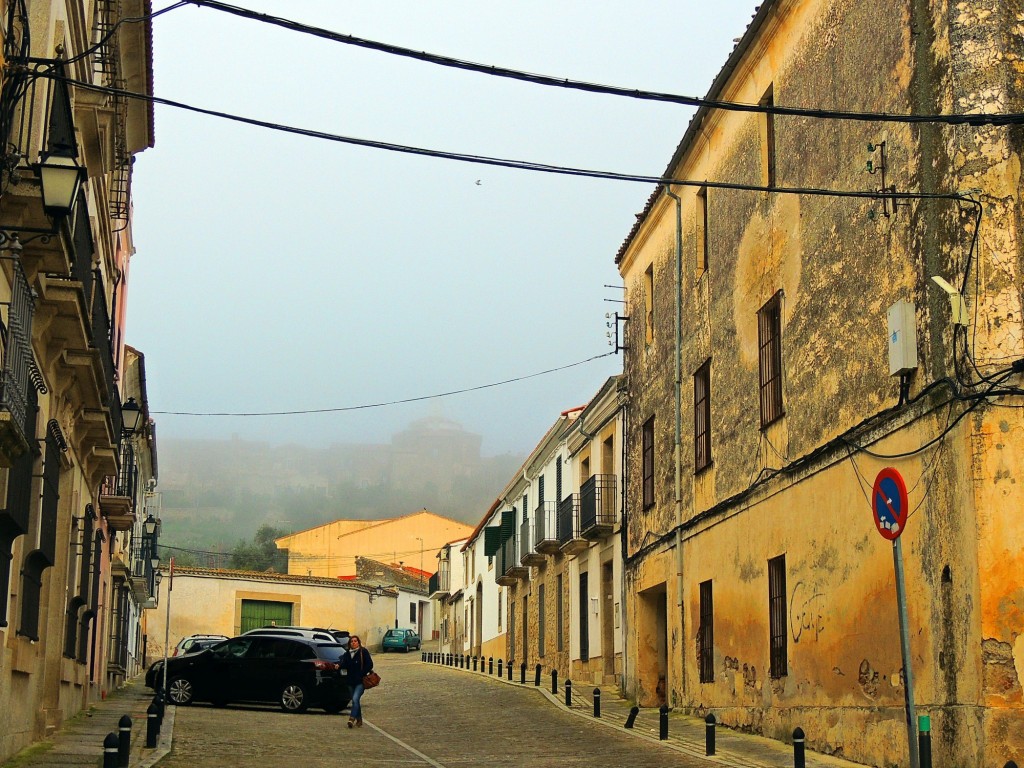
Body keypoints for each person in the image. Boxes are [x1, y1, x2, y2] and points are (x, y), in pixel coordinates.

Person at [343, 635, 373, 728]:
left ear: (358, 642)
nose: (353, 643)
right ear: (349, 643)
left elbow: (370, 664)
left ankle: (351, 719)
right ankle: (359, 719)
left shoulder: (363, 652)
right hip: (350, 681)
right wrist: (338, 666)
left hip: (360, 681)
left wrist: (362, 673)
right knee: (355, 701)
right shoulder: (347, 654)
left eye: (355, 641)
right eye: (352, 641)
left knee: (355, 699)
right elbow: (344, 664)